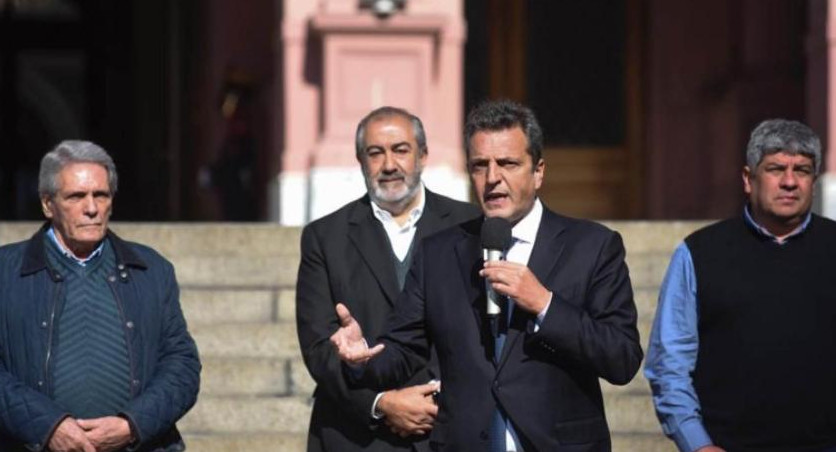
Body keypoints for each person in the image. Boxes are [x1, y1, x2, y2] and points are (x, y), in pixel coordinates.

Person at [330, 100, 643, 451]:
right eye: (480, 166)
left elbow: (622, 358)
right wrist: (365, 357)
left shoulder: (593, 247)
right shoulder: (439, 252)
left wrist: (545, 305)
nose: (493, 178)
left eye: (508, 163)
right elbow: (404, 349)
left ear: (538, 171)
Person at [295, 106, 480, 451]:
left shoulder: (469, 225)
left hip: (451, 429)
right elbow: (318, 347)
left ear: (423, 155)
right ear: (361, 160)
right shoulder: (325, 237)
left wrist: (437, 399)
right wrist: (381, 402)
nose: (389, 164)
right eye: (375, 152)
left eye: (401, 150)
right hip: (358, 435)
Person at [645, 119, 836, 452]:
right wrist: (697, 444)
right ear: (748, 179)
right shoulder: (700, 253)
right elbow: (669, 363)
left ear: (814, 182)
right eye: (776, 169)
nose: (790, 182)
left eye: (802, 171)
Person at [0, 141, 201, 451]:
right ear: (47, 204)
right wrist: (47, 426)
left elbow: (182, 365)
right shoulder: (6, 273)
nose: (91, 208)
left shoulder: (151, 270)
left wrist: (132, 424)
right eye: (76, 196)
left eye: (101, 195)